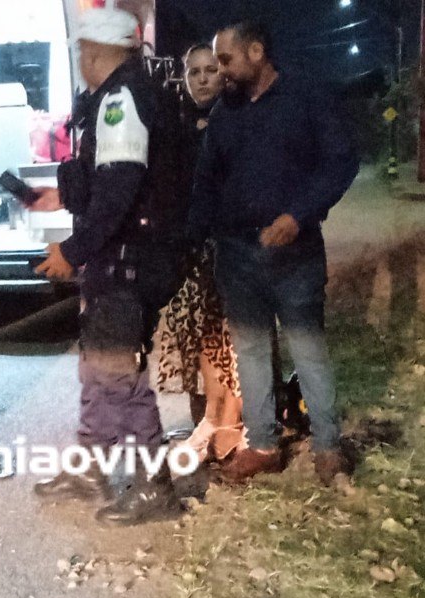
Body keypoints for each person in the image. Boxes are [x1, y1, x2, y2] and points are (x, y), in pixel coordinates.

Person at [27, 7, 185, 525]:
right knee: (97, 370)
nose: (79, 62)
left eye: (80, 53)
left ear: (97, 53)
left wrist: (72, 250)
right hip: (118, 259)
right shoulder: (114, 97)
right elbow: (105, 176)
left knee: (120, 374)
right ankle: (91, 467)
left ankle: (154, 486)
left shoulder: (119, 100)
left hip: (129, 261)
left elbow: (118, 191)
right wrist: (62, 193)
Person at [189, 22, 359, 485]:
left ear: (257, 52)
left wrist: (299, 215)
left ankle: (328, 446)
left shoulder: (305, 98)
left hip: (296, 253)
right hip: (237, 255)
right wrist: (194, 237)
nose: (220, 70)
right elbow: (207, 181)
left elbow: (340, 162)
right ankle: (263, 445)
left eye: (226, 59)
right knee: (251, 351)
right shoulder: (227, 112)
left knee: (308, 349)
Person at [154, 43, 246, 462]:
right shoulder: (177, 122)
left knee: (232, 338)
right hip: (191, 249)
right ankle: (211, 417)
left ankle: (232, 424)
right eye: (195, 72)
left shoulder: (236, 117)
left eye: (211, 70)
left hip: (228, 245)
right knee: (206, 338)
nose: (203, 78)